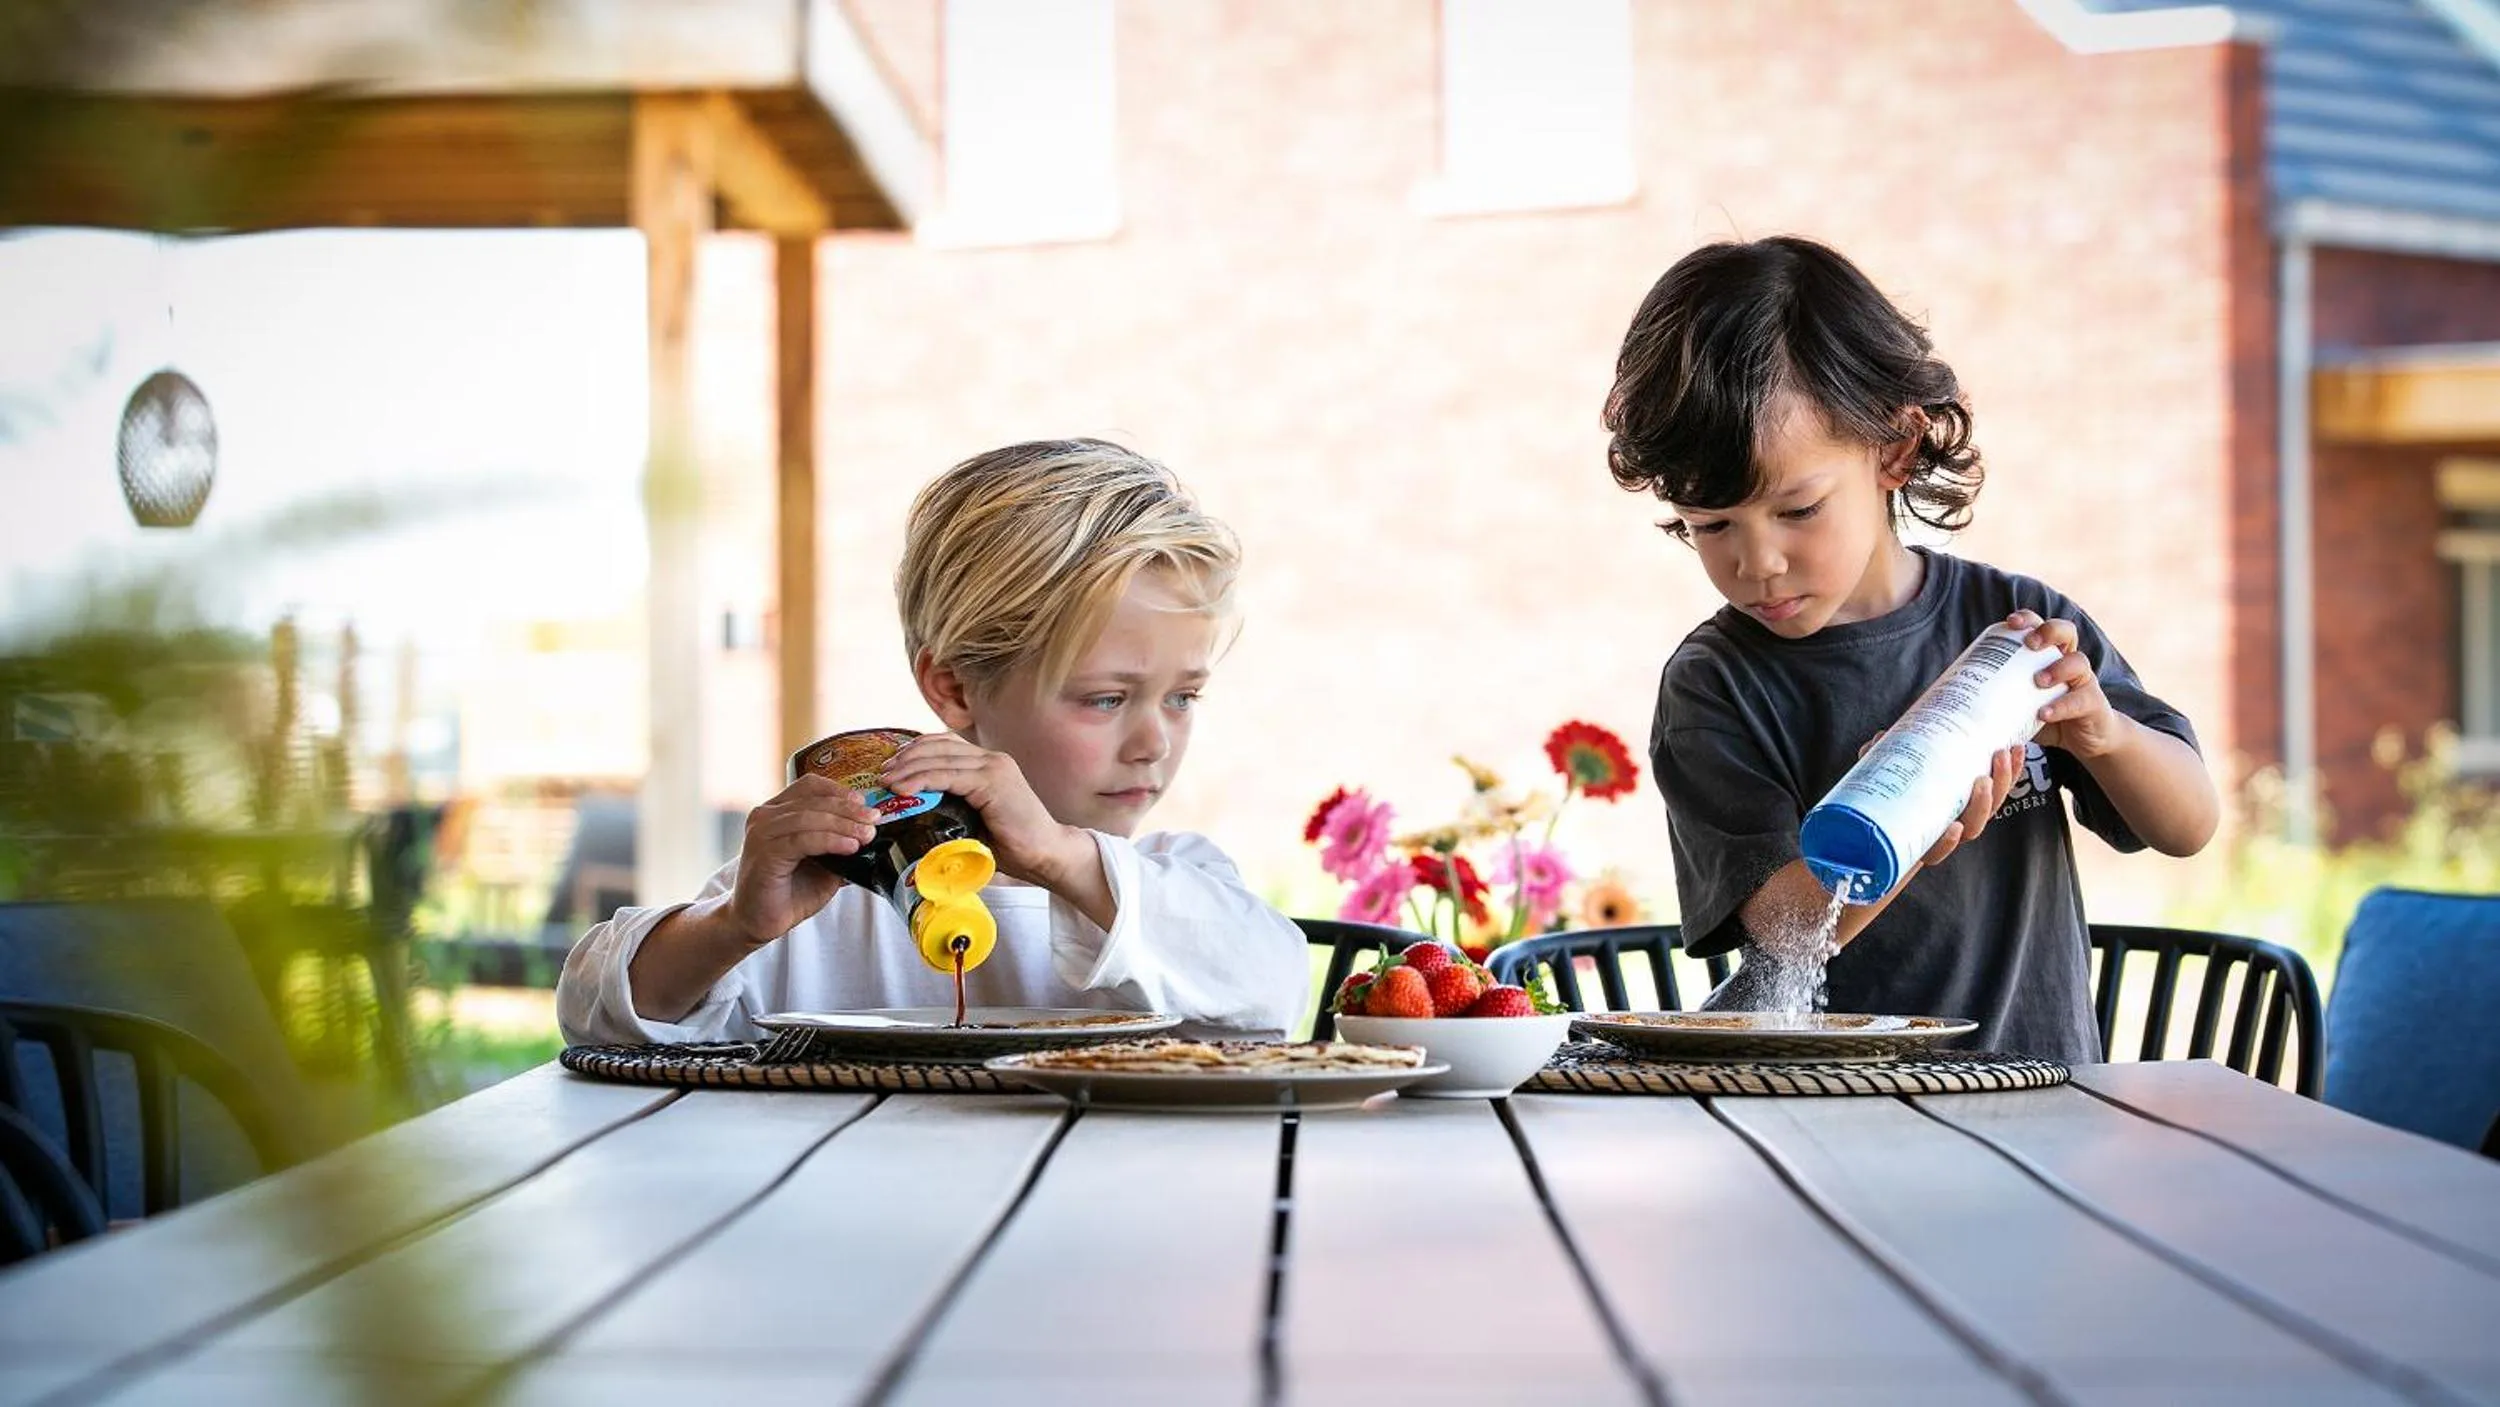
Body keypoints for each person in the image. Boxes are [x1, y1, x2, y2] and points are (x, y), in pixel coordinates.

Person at [1601, 236, 2218, 1061]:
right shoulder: (1715, 687)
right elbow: (1789, 932)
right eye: (1713, 525)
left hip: (2042, 1091)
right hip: (1833, 1109)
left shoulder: (2017, 631)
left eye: (1797, 509)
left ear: (1892, 450)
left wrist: (2106, 735)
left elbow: (2189, 824)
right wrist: (1910, 817)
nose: (1758, 562)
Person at [558, 438, 1310, 1044]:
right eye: (1106, 699)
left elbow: (1273, 989)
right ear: (954, 689)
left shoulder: (1177, 888)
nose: (1153, 742)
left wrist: (1061, 856)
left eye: (1183, 697)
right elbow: (596, 1009)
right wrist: (732, 927)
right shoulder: (831, 894)